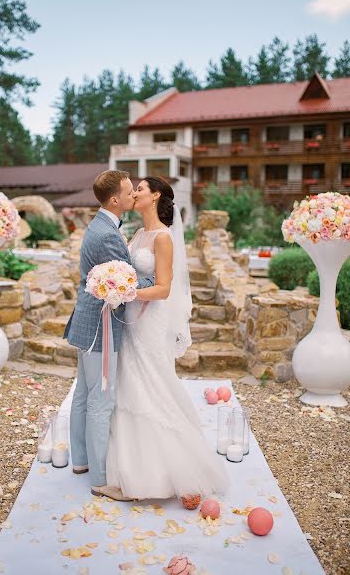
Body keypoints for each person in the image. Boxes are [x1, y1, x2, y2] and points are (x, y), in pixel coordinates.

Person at [106, 176, 229, 500]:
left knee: (152, 384)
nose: (134, 193)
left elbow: (163, 289)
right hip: (131, 317)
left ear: (156, 195)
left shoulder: (162, 238)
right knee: (129, 386)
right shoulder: (137, 233)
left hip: (150, 321)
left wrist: (126, 292)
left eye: (140, 189)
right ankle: (131, 474)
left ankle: (166, 475)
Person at [63, 170, 153, 501]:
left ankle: (82, 462)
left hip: (86, 321)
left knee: (85, 394)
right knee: (101, 400)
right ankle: (101, 481)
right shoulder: (108, 236)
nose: (133, 195)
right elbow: (126, 283)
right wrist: (153, 280)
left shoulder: (100, 226)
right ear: (115, 199)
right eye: (129, 192)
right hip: (99, 325)